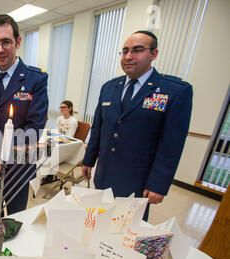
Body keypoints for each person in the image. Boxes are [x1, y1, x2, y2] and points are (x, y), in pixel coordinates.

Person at [81, 30, 193, 221]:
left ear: (153, 54)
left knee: (127, 233)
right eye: (125, 51)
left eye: (137, 50)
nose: (129, 57)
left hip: (137, 181)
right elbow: (99, 127)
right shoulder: (109, 87)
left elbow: (171, 145)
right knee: (98, 222)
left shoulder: (174, 91)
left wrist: (159, 184)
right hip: (104, 174)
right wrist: (88, 160)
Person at [0, 14, 49, 220]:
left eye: (6, 42)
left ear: (18, 41)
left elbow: (35, 127)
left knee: (16, 220)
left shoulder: (35, 79)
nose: (0, 49)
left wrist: (1, 152)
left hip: (19, 164)